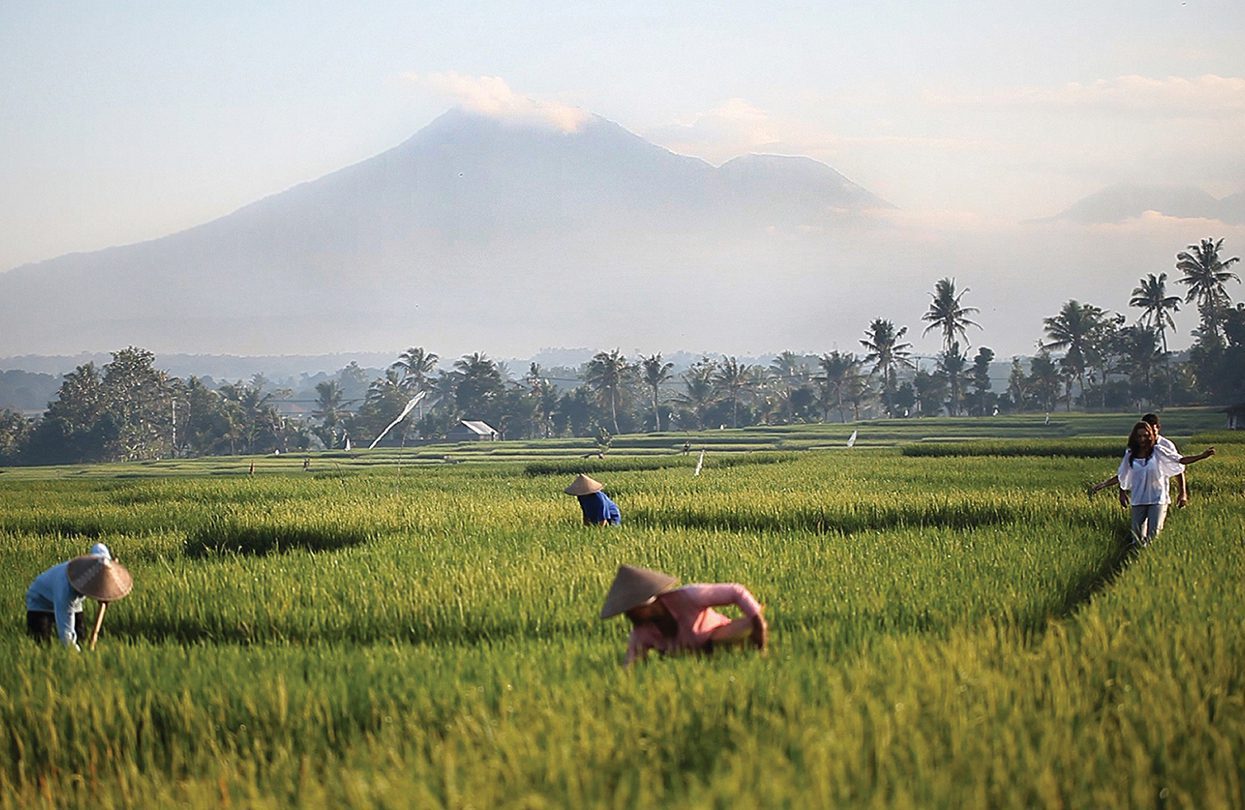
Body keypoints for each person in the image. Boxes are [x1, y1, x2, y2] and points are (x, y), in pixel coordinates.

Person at [600, 564, 767, 666]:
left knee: (740, 628)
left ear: (649, 603)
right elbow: (631, 663)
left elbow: (735, 591)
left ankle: (741, 654)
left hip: (718, 636)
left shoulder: (687, 596)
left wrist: (757, 623)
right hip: (687, 657)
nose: (630, 616)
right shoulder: (642, 632)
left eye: (634, 610)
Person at [1114, 421, 1215, 545]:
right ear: (1134, 437)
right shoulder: (1130, 455)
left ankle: (1149, 560)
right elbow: (1123, 475)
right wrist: (1122, 493)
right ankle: (1136, 557)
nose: (1142, 439)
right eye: (1139, 436)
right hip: (1138, 499)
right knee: (1137, 537)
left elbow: (1179, 460)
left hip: (1157, 499)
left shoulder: (1158, 451)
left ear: (1150, 436)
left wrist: (1201, 456)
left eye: (1145, 435)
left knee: (1153, 536)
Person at [25, 543, 133, 650]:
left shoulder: (97, 564)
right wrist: (74, 654)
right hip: (40, 601)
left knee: (82, 637)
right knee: (41, 644)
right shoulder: (65, 590)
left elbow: (99, 547)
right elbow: (66, 629)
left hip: (73, 602)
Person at [1088, 413, 1190, 506]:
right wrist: (1119, 491)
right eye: (1145, 433)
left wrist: (1183, 493)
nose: (1149, 436)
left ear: (1158, 428)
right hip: (1139, 498)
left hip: (1159, 496)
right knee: (1139, 526)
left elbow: (1178, 468)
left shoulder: (1166, 445)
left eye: (1152, 431)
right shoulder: (1135, 447)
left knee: (1155, 525)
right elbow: (1125, 472)